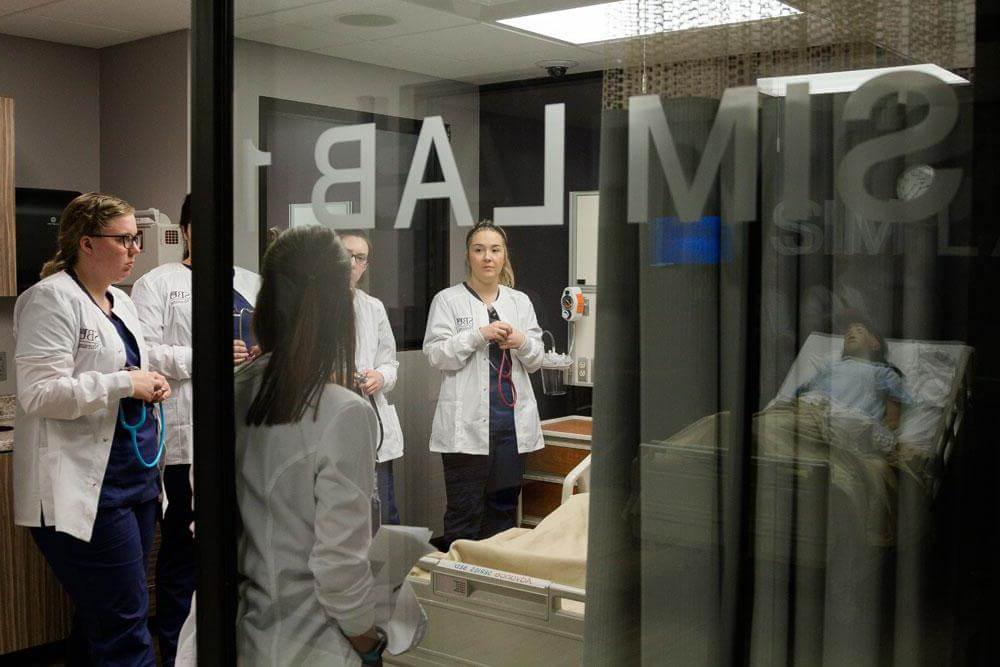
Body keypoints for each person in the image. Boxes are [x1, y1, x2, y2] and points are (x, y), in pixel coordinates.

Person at [13, 192, 172, 665]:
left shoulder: (119, 301)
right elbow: (40, 393)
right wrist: (126, 383)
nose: (134, 250)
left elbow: (135, 361)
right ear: (86, 242)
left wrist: (153, 377)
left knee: (103, 619)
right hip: (86, 489)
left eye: (136, 239)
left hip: (135, 483)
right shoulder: (49, 299)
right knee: (125, 627)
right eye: (124, 239)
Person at [234, 225, 387, 665]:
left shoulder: (236, 391)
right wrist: (370, 642)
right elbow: (339, 570)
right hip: (313, 644)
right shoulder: (342, 413)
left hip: (247, 635)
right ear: (341, 311)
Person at [130, 193, 261, 665]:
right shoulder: (158, 284)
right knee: (185, 551)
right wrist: (204, 356)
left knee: (243, 545)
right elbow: (141, 352)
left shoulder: (250, 282)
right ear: (186, 230)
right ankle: (175, 651)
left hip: (247, 433)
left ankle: (231, 643)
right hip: (188, 437)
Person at [423, 220, 545, 550]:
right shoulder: (448, 300)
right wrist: (478, 335)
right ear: (468, 256)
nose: (487, 257)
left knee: (504, 512)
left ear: (504, 256)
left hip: (510, 427)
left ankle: (494, 589)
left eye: (495, 250)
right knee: (464, 513)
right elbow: (436, 355)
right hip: (466, 430)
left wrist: (520, 340)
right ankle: (457, 590)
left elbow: (536, 360)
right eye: (479, 250)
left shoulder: (519, 302)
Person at [340, 231, 405, 526]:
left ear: (365, 265)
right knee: (342, 515)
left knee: (382, 513)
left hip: (372, 420)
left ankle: (386, 572)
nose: (352, 262)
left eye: (360, 257)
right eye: (346, 254)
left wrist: (380, 376)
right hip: (333, 420)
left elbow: (390, 362)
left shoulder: (373, 307)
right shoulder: (311, 304)